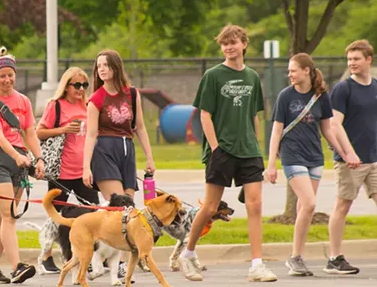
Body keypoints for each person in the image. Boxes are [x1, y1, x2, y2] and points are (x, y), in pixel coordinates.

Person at [178, 25, 277, 282]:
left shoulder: (253, 77)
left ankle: (257, 265)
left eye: (233, 42)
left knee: (255, 205)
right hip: (221, 150)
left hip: (248, 151)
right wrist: (215, 149)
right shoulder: (213, 76)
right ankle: (187, 254)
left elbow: (254, 116)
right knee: (210, 207)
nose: (229, 47)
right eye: (224, 44)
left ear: (244, 44)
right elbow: (205, 115)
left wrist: (256, 146)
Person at [265, 53, 348, 276]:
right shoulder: (285, 96)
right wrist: (271, 163)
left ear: (306, 71)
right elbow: (276, 130)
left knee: (305, 209)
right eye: (289, 71)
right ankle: (295, 257)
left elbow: (327, 129)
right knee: (310, 203)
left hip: (315, 158)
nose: (289, 74)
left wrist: (342, 153)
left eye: (293, 70)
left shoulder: (321, 96)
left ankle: (296, 257)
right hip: (292, 157)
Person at [81, 49, 154, 278]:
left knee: (130, 210)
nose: (101, 69)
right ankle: (99, 257)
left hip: (127, 150)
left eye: (105, 64)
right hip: (104, 150)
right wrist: (85, 167)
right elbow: (91, 135)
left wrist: (150, 158)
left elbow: (140, 127)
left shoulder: (132, 94)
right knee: (118, 208)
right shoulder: (95, 99)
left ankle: (117, 262)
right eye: (98, 65)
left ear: (116, 67)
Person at [0, 48, 44, 284]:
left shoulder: (23, 100)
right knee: (9, 216)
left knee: (4, 215)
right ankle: (17, 266)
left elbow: (29, 132)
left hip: (21, 159)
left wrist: (39, 158)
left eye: (10, 75)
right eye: (2, 75)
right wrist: (16, 157)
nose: (7, 80)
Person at [35, 67, 99, 274]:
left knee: (93, 214)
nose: (80, 89)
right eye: (76, 85)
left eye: (84, 85)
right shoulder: (56, 106)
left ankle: (87, 256)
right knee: (56, 214)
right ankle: (46, 255)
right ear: (66, 86)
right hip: (61, 171)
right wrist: (63, 129)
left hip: (84, 171)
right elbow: (39, 132)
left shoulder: (88, 106)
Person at [326, 39, 376, 275]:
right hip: (350, 161)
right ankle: (334, 258)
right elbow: (335, 124)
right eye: (349, 60)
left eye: (356, 59)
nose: (352, 63)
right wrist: (348, 153)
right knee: (343, 206)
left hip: (374, 159)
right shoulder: (343, 88)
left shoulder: (376, 86)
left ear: (369, 60)